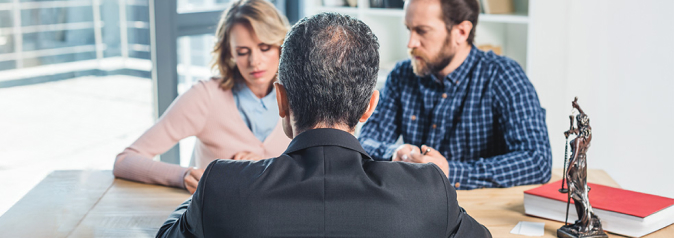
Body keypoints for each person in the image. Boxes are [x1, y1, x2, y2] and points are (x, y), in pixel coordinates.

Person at [156, 12, 492, 238]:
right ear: (369, 107)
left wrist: (211, 187)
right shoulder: (428, 190)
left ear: (281, 101)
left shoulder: (221, 186)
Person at [358, 0, 552, 189]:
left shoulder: (504, 76)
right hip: (420, 208)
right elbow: (364, 143)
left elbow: (537, 161)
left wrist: (451, 172)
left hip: (481, 212)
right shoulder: (401, 75)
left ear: (461, 32)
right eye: (409, 29)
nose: (411, 43)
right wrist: (395, 154)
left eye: (422, 31)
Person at [113, 0, 291, 194]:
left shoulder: (299, 98)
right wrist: (184, 175)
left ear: (281, 46)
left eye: (264, 48)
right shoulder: (205, 97)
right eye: (242, 52)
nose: (254, 61)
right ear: (229, 53)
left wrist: (262, 168)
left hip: (284, 218)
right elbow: (125, 161)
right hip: (216, 219)